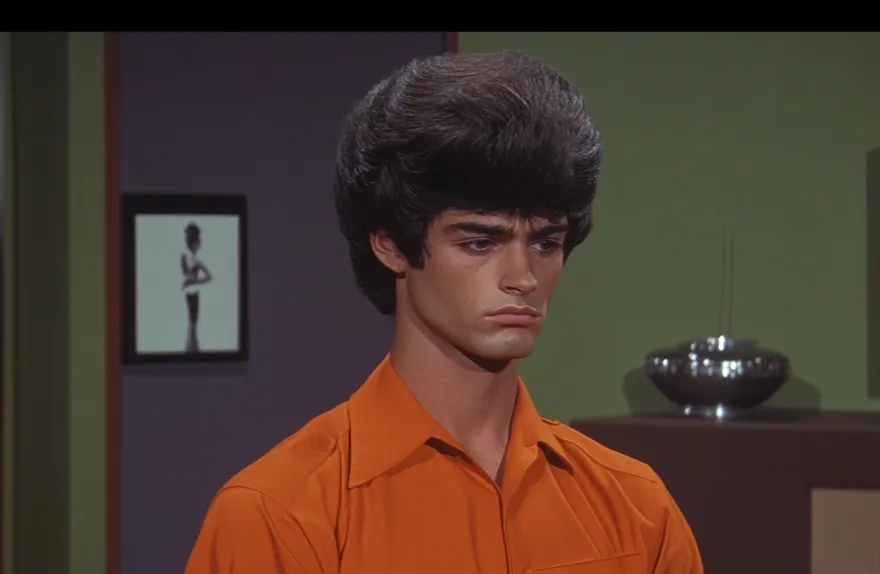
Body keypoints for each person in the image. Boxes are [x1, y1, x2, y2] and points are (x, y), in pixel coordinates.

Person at [185, 50, 703, 574]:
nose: (522, 276)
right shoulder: (280, 515)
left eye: (545, 242)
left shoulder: (637, 510)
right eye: (481, 242)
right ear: (390, 244)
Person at [181, 222, 213, 352]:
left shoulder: (190, 258)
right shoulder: (189, 258)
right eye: (198, 240)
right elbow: (207, 276)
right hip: (190, 294)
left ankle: (191, 349)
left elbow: (208, 276)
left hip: (191, 293)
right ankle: (191, 349)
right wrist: (194, 280)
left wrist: (194, 281)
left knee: (192, 324)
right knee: (192, 324)